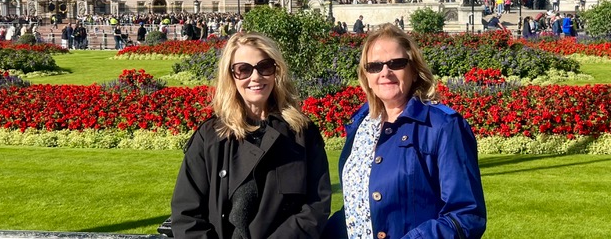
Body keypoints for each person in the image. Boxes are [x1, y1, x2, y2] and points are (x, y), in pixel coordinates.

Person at [323, 24, 487, 238]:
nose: (385, 72)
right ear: (366, 77)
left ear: (414, 70)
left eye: (396, 64)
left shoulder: (442, 125)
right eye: (374, 66)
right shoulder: (362, 124)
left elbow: (466, 215)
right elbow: (357, 209)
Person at [170, 32, 332, 238]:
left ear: (276, 72)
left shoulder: (301, 132)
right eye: (243, 70)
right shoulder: (210, 136)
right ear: (231, 77)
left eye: (264, 67)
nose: (255, 77)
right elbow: (186, 214)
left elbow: (316, 206)